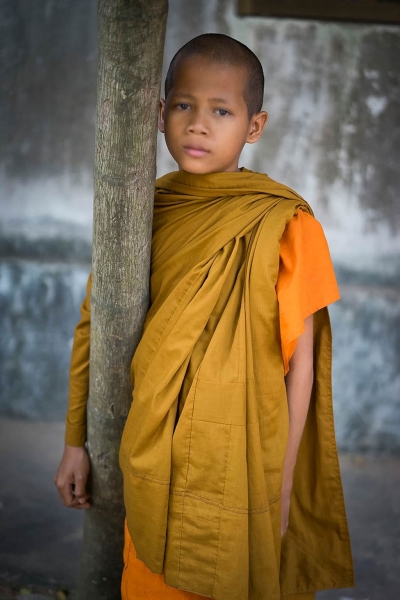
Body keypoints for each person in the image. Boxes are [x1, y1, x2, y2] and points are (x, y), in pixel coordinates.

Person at [55, 34, 354, 600]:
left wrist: (284, 488)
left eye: (221, 110)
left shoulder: (285, 224)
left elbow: (303, 371)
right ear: (160, 113)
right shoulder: (139, 213)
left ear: (254, 126)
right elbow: (95, 322)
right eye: (185, 106)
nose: (198, 124)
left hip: (243, 463)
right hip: (151, 454)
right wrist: (77, 442)